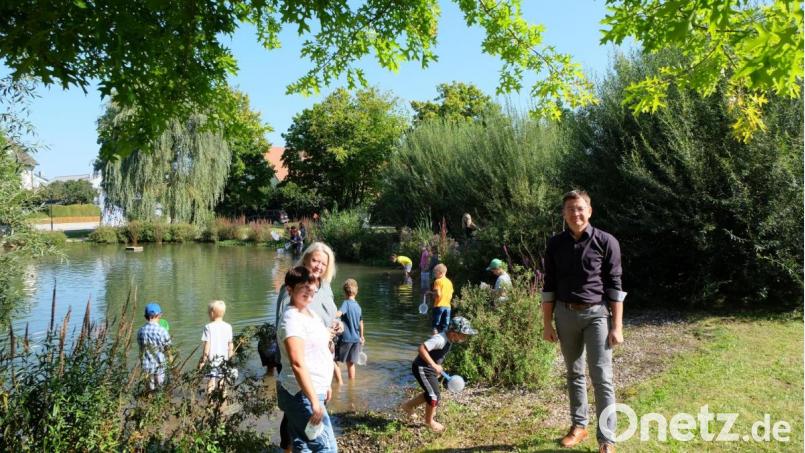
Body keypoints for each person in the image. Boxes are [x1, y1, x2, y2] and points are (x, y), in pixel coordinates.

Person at [541, 190, 626, 453]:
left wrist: (617, 326)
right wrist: (547, 323)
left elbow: (615, 286)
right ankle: (579, 426)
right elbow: (549, 285)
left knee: (602, 377)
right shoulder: (555, 244)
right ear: (564, 214)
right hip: (564, 314)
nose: (575, 214)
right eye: (570, 209)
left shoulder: (606, 241)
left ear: (589, 211)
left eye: (580, 208)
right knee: (574, 373)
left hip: (597, 315)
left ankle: (607, 439)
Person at [274, 242, 342, 452]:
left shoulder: (323, 287)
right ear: (305, 259)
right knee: (325, 447)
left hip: (317, 380)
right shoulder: (292, 300)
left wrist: (336, 325)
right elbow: (295, 358)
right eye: (315, 260)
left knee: (303, 442)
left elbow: (329, 315)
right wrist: (313, 398)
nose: (319, 266)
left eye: (324, 263)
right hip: (303, 382)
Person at [400, 316, 478, 432]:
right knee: (434, 395)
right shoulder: (440, 339)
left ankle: (408, 406)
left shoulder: (449, 339)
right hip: (422, 368)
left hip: (429, 368)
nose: (465, 338)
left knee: (432, 393)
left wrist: (437, 366)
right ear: (454, 333)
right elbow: (422, 348)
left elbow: (437, 355)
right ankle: (429, 422)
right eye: (463, 335)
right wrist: (434, 365)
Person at [198, 300, 234, 395]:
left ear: (212, 313)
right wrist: (230, 357)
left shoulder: (208, 327)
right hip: (224, 360)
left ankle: (210, 401)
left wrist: (203, 360)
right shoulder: (228, 326)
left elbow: (207, 345)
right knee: (222, 381)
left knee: (211, 380)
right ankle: (223, 400)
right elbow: (230, 344)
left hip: (212, 360)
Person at [334, 278, 365, 384]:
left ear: (344, 292)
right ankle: (351, 385)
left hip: (346, 339)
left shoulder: (346, 303)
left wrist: (329, 314)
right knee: (351, 363)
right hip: (356, 339)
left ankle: (339, 383)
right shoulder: (358, 306)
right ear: (356, 292)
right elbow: (361, 323)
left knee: (333, 360)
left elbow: (338, 314)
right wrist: (362, 337)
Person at [137, 302, 172, 390]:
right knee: (160, 390)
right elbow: (168, 350)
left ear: (145, 316)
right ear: (159, 315)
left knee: (149, 391)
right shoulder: (162, 331)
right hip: (160, 366)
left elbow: (141, 350)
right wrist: (171, 363)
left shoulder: (140, 331)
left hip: (146, 367)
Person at [427, 264, 453, 334]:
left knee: (435, 327)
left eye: (435, 272)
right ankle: (443, 340)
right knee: (445, 327)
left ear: (440, 273)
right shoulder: (449, 282)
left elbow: (437, 294)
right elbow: (450, 295)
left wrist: (430, 293)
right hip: (448, 307)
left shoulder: (437, 281)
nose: (434, 274)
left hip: (439, 306)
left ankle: (435, 340)